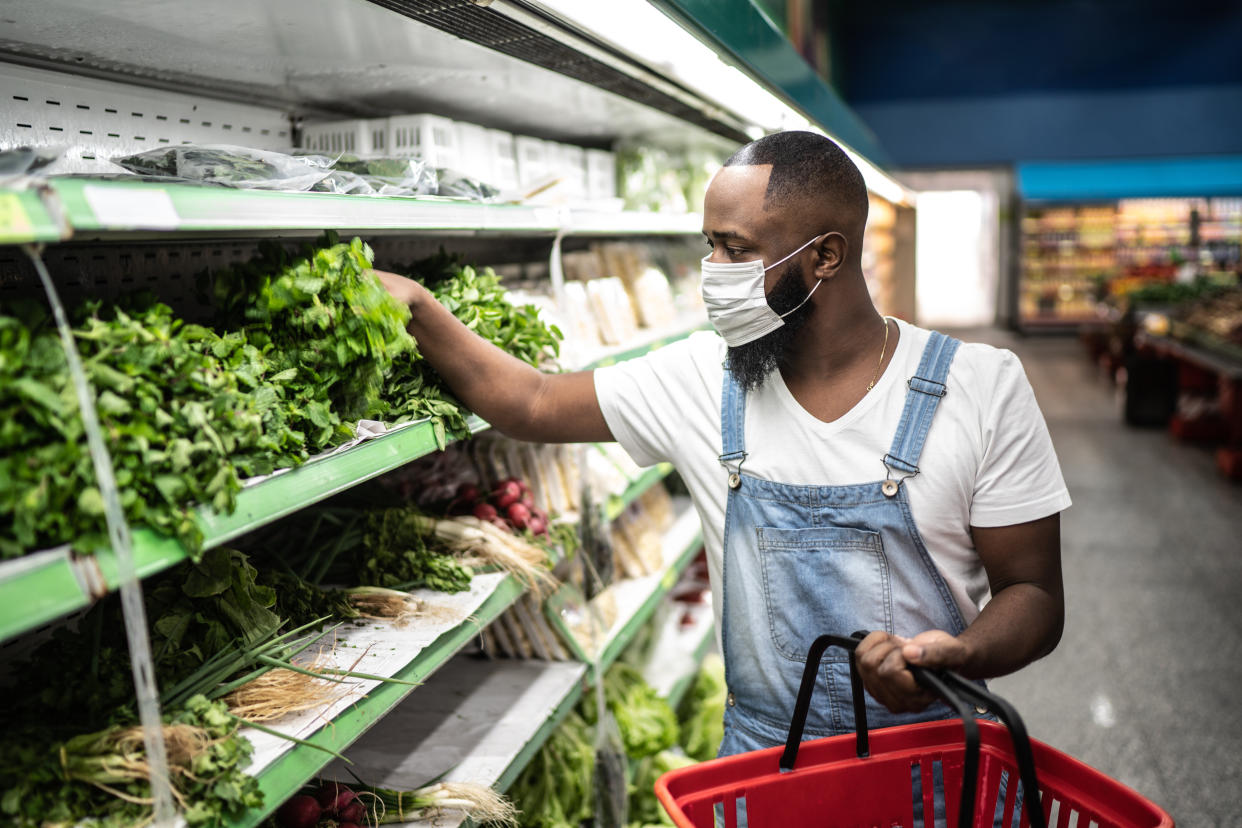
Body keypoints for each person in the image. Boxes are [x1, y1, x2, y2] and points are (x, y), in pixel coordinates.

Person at [374, 130, 1069, 757]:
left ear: (826, 255)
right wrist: (417, 307)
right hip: (765, 765)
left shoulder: (978, 386)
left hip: (929, 762)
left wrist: (960, 654)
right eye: (709, 245)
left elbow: (1032, 590)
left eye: (736, 250)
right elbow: (531, 402)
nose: (714, 271)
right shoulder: (701, 378)